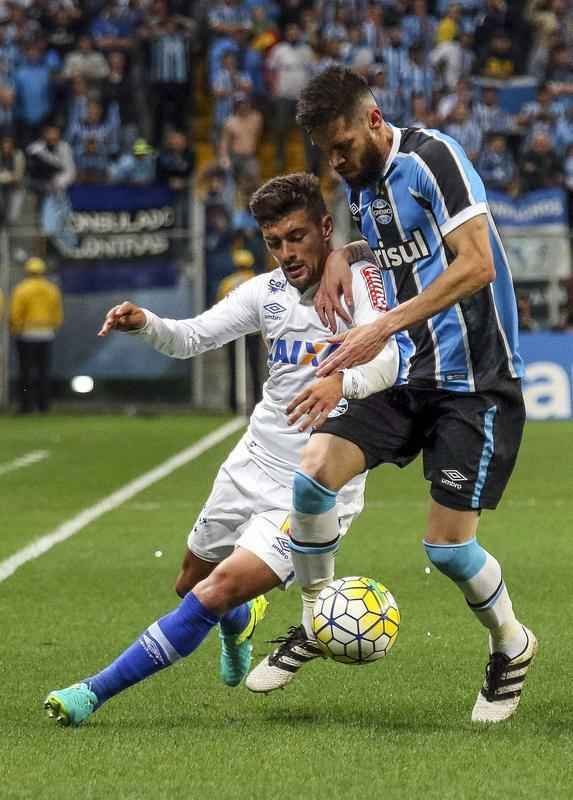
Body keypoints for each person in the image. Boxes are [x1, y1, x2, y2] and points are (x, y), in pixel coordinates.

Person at [43, 172, 400, 727]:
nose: (287, 253)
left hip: (315, 486)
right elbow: (192, 337)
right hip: (252, 463)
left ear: (326, 228)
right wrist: (146, 323)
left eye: (297, 237)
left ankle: (92, 693)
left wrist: (342, 383)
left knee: (213, 591)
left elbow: (388, 359)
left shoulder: (363, 284)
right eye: (275, 242)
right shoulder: (266, 293)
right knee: (189, 582)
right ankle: (240, 626)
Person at [247, 66, 537, 726]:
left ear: (373, 121)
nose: (337, 160)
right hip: (411, 376)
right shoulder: (365, 187)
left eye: (343, 144)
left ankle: (510, 645)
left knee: (447, 550)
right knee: (313, 474)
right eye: (326, 151)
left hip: (474, 385)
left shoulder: (433, 158)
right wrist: (347, 255)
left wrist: (377, 326)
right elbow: (398, 247)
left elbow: (475, 263)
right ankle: (318, 620)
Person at [9, 257, 63, 413]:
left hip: (27, 334)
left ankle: (26, 406)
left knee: (26, 372)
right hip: (46, 334)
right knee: (43, 372)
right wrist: (53, 326)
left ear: (27, 271)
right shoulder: (51, 289)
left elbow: (15, 312)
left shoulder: (22, 289)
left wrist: (15, 328)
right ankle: (44, 406)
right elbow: (57, 312)